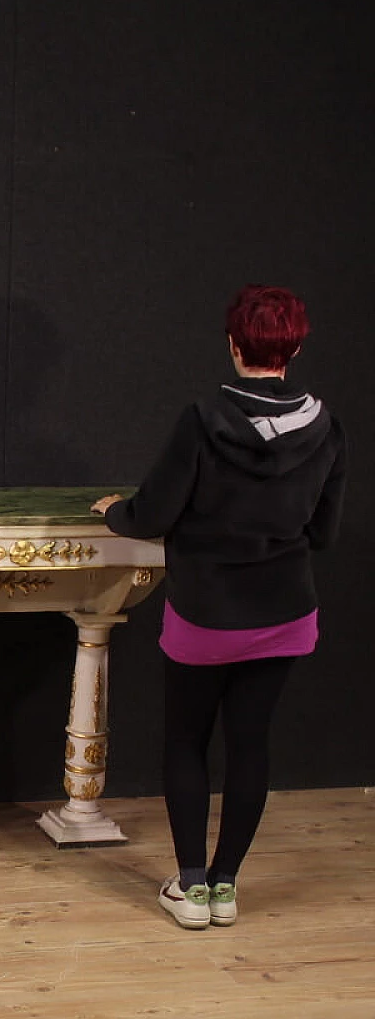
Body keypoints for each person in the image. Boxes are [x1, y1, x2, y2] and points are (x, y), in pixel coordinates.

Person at [91, 284, 346, 929]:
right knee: (250, 744)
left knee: (186, 740)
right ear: (294, 347)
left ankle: (191, 885)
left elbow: (150, 514)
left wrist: (113, 512)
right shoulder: (328, 426)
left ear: (234, 346)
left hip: (206, 612)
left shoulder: (203, 419)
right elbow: (325, 532)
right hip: (287, 610)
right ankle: (227, 885)